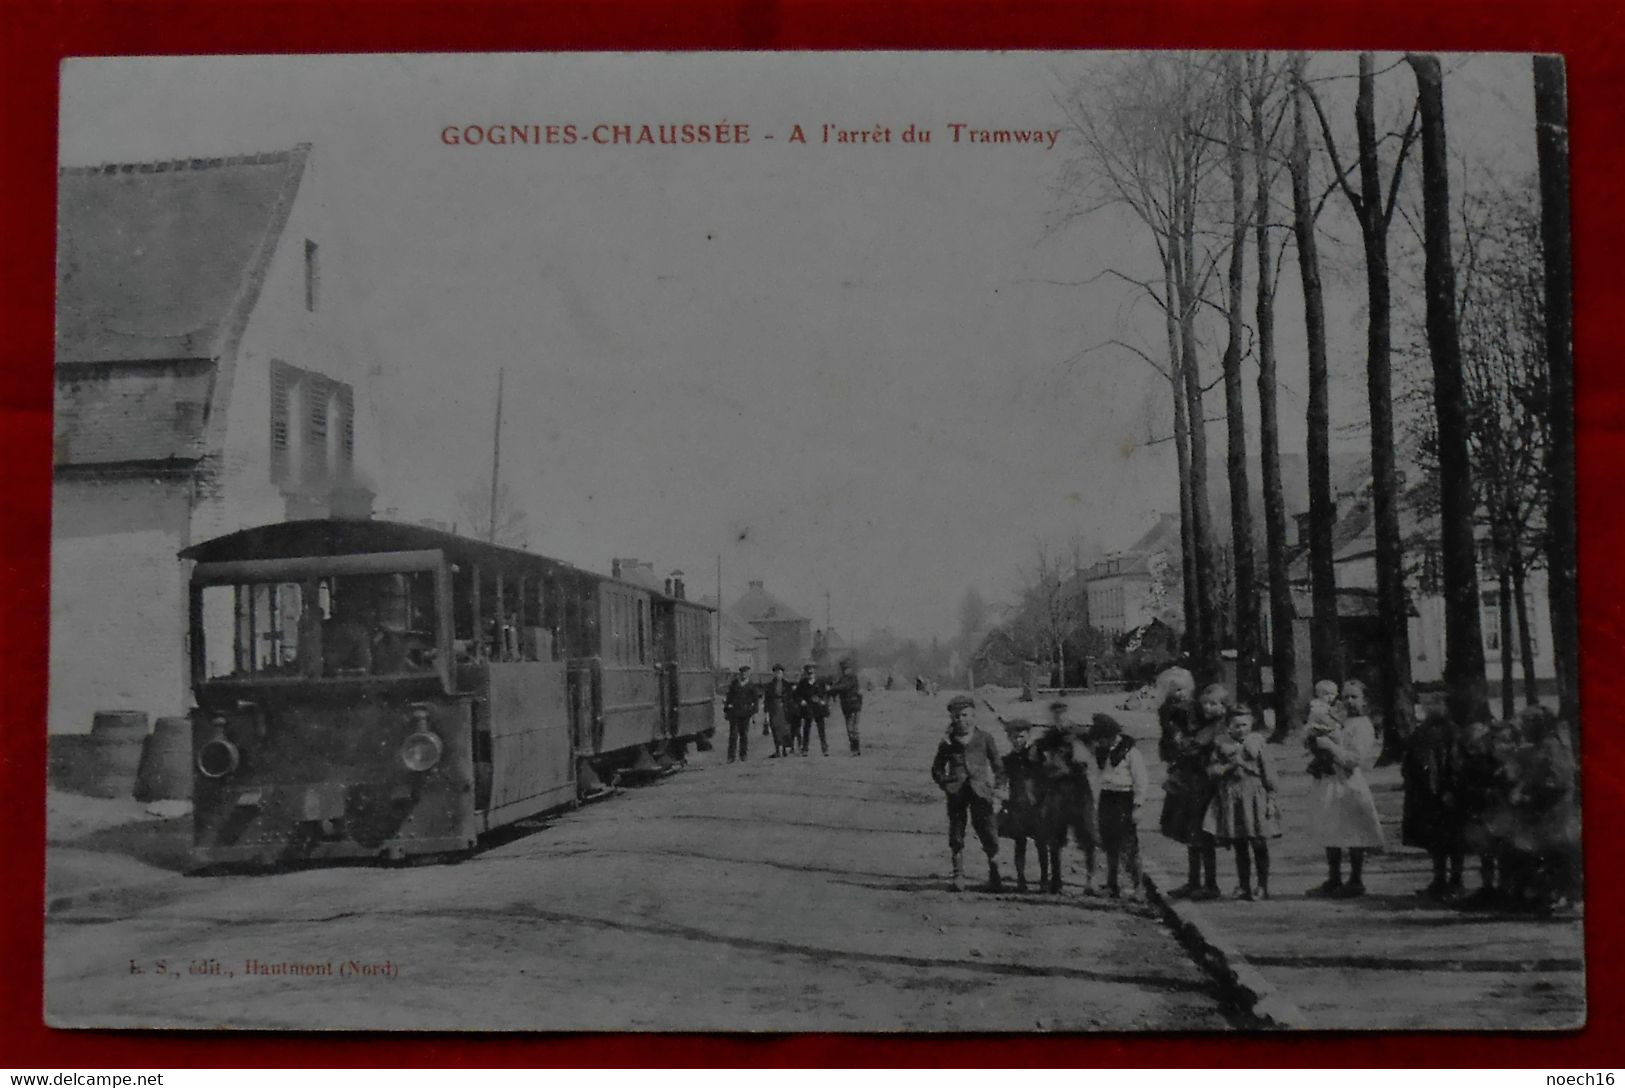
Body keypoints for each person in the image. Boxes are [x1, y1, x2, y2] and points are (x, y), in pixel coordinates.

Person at [1307, 679, 1385, 897]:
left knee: (1353, 831)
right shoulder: (1340, 720)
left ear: (1365, 701)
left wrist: (1329, 746)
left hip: (1349, 782)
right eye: (1345, 697)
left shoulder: (1363, 726)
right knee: (1331, 829)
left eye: (1354, 697)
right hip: (1331, 780)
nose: (1349, 701)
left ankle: (1356, 879)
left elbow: (1353, 760)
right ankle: (1334, 878)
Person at [930, 694, 1005, 892]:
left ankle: (994, 872)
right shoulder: (948, 742)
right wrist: (947, 783)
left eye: (965, 715)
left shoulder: (985, 738)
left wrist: (998, 786)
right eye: (956, 717)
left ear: (974, 715)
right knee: (956, 831)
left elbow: (998, 765)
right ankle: (958, 874)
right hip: (957, 793)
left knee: (988, 829)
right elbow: (937, 769)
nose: (961, 720)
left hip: (981, 791)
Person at [1205, 706, 1280, 901]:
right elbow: (1212, 771)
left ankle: (1262, 886)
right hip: (1234, 799)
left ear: (1252, 725)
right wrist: (1230, 765)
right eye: (1236, 726)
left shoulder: (1258, 744)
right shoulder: (1222, 745)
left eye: (1245, 725)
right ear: (1228, 726)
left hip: (1255, 797)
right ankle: (1244, 885)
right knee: (1239, 844)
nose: (1241, 729)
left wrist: (1271, 799)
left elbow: (1269, 773)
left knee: (1258, 842)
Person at [1402, 706, 1466, 899]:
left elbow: (1456, 763)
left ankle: (1455, 881)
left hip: (1446, 794)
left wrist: (1451, 788)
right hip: (1428, 795)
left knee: (1453, 840)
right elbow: (1410, 763)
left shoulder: (1453, 733)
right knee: (1436, 840)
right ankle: (1439, 880)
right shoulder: (1421, 733)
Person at [1090, 712, 1146, 900]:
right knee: (1109, 844)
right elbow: (1098, 777)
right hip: (1107, 798)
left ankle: (1139, 887)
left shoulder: (1130, 752)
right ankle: (1112, 885)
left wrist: (1138, 805)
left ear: (1111, 737)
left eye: (1101, 740)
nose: (1099, 744)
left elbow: (1141, 780)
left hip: (1125, 799)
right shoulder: (1101, 752)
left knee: (1130, 846)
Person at [998, 718, 1050, 893]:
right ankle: (1021, 879)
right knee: (1019, 843)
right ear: (1008, 738)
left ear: (1028, 735)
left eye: (1021, 736)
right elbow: (1001, 783)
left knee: (1042, 843)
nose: (1017, 740)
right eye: (1013, 737)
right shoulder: (1008, 760)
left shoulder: (1037, 756)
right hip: (1018, 806)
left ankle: (1044, 880)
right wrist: (1003, 798)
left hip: (1037, 806)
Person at [1304, 679, 1345, 778]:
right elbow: (1320, 717)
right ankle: (1317, 765)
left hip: (1328, 730)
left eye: (1332, 694)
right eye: (1326, 694)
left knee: (1334, 745)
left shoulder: (1335, 706)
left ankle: (1326, 764)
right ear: (1318, 694)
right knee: (1324, 748)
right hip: (1318, 730)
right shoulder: (1317, 705)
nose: (1330, 697)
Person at [721, 665, 759, 764]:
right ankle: (731, 757)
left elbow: (756, 700)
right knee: (733, 735)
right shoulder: (734, 684)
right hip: (734, 713)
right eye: (742, 673)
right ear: (740, 674)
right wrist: (726, 710)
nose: (744, 675)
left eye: (746, 673)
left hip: (746, 713)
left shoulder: (751, 685)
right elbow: (728, 698)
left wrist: (754, 712)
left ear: (749, 674)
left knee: (744, 735)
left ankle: (743, 755)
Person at [761, 664, 796, 758]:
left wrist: (791, 709)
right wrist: (766, 711)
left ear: (782, 673)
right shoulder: (770, 686)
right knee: (775, 729)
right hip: (774, 709)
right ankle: (777, 749)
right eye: (776, 672)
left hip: (784, 709)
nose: (778, 674)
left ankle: (784, 749)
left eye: (780, 672)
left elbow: (791, 698)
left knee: (784, 729)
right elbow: (767, 699)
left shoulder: (787, 685)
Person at [794, 664, 830, 756]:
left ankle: (824, 748)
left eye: (812, 673)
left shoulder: (821, 682)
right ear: (806, 674)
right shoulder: (803, 683)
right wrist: (801, 701)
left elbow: (826, 694)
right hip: (808, 708)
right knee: (806, 729)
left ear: (815, 673)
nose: (810, 675)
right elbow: (797, 694)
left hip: (818, 708)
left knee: (821, 729)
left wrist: (823, 701)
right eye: (809, 674)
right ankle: (805, 748)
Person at [830, 658, 864, 756]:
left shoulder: (850, 678)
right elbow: (838, 687)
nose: (846, 670)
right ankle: (855, 749)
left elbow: (844, 687)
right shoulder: (845, 678)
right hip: (849, 706)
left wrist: (831, 688)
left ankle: (855, 749)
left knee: (852, 728)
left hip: (853, 705)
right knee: (851, 729)